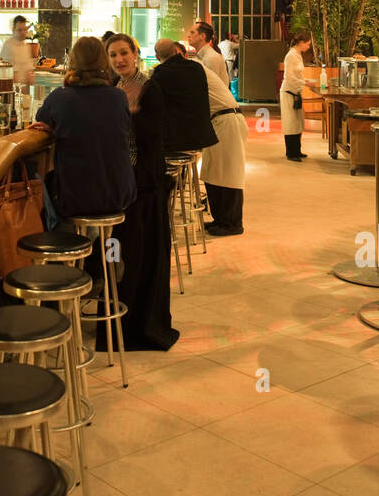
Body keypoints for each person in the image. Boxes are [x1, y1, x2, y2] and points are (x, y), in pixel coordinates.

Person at [104, 34, 179, 350]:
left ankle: (144, 327)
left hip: (146, 185)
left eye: (124, 53)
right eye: (113, 55)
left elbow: (154, 135)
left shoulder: (149, 88)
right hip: (126, 184)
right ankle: (122, 325)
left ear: (136, 54)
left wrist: (128, 117)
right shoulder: (117, 90)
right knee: (125, 258)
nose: (119, 60)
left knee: (144, 256)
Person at [31, 36, 136, 222]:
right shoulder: (119, 97)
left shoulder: (60, 98)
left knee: (36, 178)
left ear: (72, 61)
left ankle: (61, 240)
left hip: (76, 200)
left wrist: (54, 128)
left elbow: (40, 120)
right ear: (104, 61)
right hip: (121, 194)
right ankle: (96, 246)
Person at [189, 52, 248, 236]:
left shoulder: (195, 68)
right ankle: (220, 219)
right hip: (218, 122)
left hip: (227, 120)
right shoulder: (194, 70)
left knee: (229, 175)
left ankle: (232, 224)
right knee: (213, 173)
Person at [150, 38, 217, 155]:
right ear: (176, 51)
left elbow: (155, 106)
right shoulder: (197, 68)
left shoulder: (159, 74)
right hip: (202, 135)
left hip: (177, 140)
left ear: (157, 57)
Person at [281, 31, 315, 161]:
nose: (308, 47)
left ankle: (297, 150)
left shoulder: (297, 55)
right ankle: (291, 153)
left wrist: (304, 82)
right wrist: (305, 82)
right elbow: (290, 77)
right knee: (290, 123)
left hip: (296, 92)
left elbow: (297, 75)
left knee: (297, 122)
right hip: (289, 92)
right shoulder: (291, 56)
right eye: (307, 44)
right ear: (301, 43)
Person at [187, 21, 230, 85]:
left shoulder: (212, 57)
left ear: (202, 36)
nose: (188, 36)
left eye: (192, 33)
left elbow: (211, 86)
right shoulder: (197, 56)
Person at [0, 14, 35, 88]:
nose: (23, 32)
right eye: (19, 30)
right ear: (13, 30)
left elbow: (28, 69)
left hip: (24, 89)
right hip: (12, 89)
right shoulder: (8, 46)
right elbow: (10, 73)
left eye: (25, 29)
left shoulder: (25, 46)